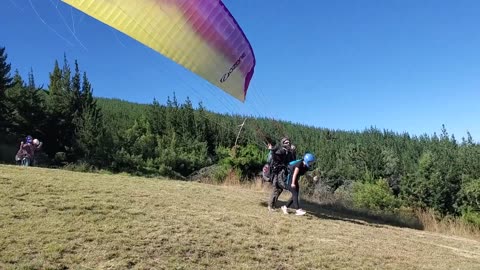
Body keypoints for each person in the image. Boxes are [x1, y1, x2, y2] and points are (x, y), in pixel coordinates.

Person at [267, 137, 296, 211]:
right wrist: (271, 149)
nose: (288, 144)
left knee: (279, 189)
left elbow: (293, 161)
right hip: (278, 172)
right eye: (286, 143)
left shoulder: (289, 152)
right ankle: (270, 206)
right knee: (276, 189)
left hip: (284, 173)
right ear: (283, 144)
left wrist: (293, 151)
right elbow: (276, 157)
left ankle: (272, 205)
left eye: (289, 142)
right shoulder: (281, 151)